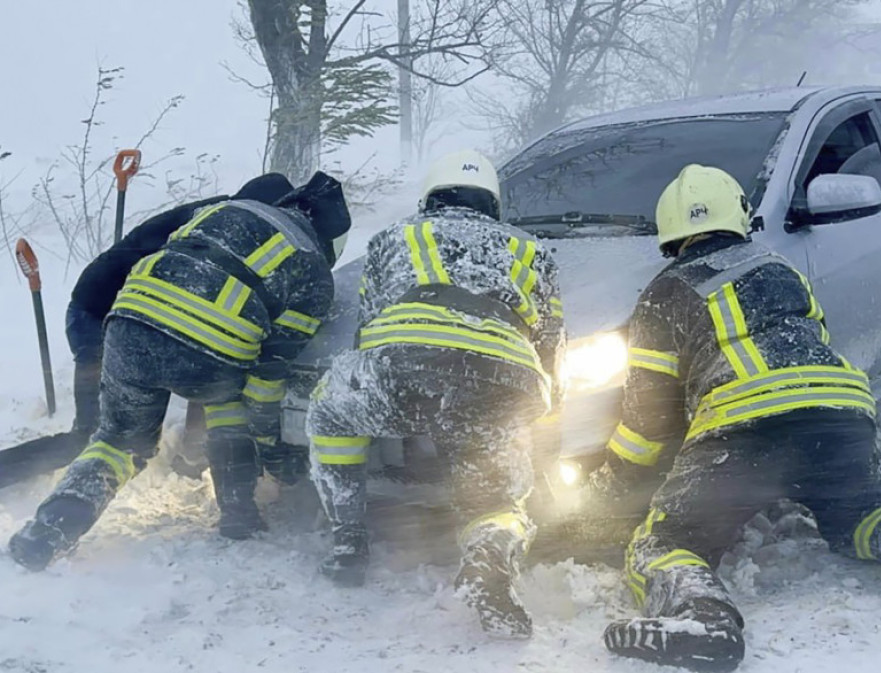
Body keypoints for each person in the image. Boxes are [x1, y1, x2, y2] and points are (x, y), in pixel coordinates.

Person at [586, 164, 881, 673]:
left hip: (743, 430)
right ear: (737, 215)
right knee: (858, 513)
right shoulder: (781, 269)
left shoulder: (665, 293)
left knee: (666, 542)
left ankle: (704, 620)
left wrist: (610, 484)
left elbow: (647, 424)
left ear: (670, 232)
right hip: (840, 414)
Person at [8, 171, 351, 571]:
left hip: (127, 327)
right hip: (208, 352)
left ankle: (47, 532)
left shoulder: (221, 210)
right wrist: (272, 449)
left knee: (118, 442)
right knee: (229, 401)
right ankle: (239, 515)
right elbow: (266, 377)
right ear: (330, 240)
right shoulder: (312, 271)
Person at [306, 149, 565, 639]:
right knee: (499, 498)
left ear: (429, 198)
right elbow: (551, 349)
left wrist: (396, 395)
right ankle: (489, 556)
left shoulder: (396, 237)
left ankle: (349, 539)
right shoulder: (534, 250)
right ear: (492, 203)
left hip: (406, 365)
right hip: (501, 379)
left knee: (330, 412)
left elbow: (369, 327)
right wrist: (540, 424)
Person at [0, 174, 295, 489]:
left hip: (129, 314)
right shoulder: (222, 227)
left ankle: (191, 459)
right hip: (100, 318)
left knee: (211, 358)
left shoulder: (220, 217)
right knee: (90, 435)